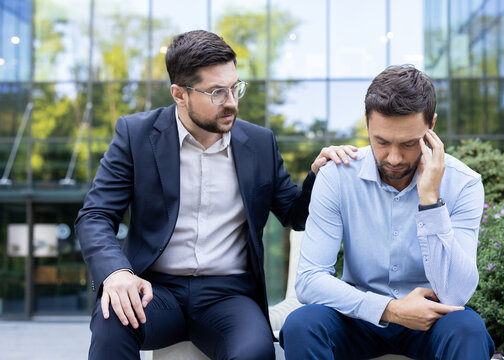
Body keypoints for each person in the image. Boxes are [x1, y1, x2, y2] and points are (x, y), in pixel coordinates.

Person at [75, 30, 356, 360]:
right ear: (179, 94)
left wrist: (317, 177)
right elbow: (95, 216)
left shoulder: (260, 143)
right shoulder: (135, 135)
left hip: (229, 296)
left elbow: (296, 215)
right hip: (155, 290)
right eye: (217, 92)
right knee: (112, 319)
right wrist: (116, 273)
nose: (232, 102)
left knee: (254, 352)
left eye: (235, 87)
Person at [280, 65, 495, 360]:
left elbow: (457, 294)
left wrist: (431, 200)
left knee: (467, 328)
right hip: (358, 317)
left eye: (408, 143)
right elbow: (309, 279)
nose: (394, 158)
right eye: (382, 142)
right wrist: (390, 310)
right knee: (302, 325)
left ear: (431, 125)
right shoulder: (337, 176)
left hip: (430, 317)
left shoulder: (463, 183)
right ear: (367, 123)